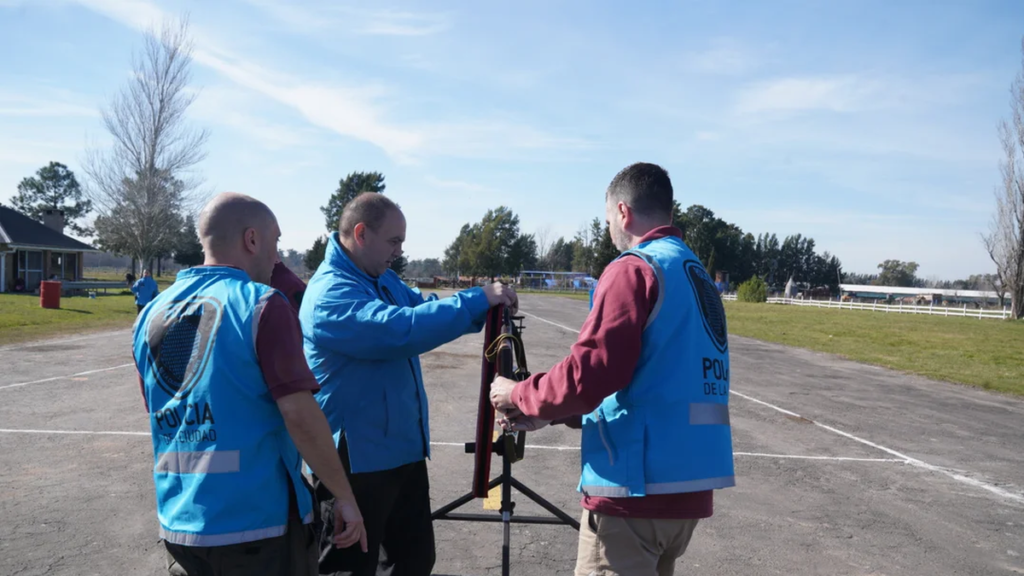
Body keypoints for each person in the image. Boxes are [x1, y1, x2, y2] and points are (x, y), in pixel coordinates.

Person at [490, 162, 735, 576]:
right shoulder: (694, 273)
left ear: (623, 212)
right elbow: (655, 378)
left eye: (607, 221)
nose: (609, 231)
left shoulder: (635, 268)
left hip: (634, 493)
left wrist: (519, 394)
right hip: (687, 489)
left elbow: (593, 371)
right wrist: (553, 414)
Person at [132, 192, 367, 576]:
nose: (277, 257)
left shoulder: (150, 315)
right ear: (252, 239)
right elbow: (300, 415)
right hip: (257, 528)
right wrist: (344, 497)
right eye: (276, 243)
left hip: (179, 524)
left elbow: (165, 412)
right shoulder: (262, 304)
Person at [299, 192, 518, 576]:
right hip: (355, 459)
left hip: (400, 448)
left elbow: (420, 309)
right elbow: (400, 329)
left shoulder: (380, 278)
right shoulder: (331, 294)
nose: (399, 251)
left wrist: (482, 308)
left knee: (413, 561)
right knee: (350, 566)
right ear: (361, 234)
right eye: (394, 240)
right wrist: (475, 300)